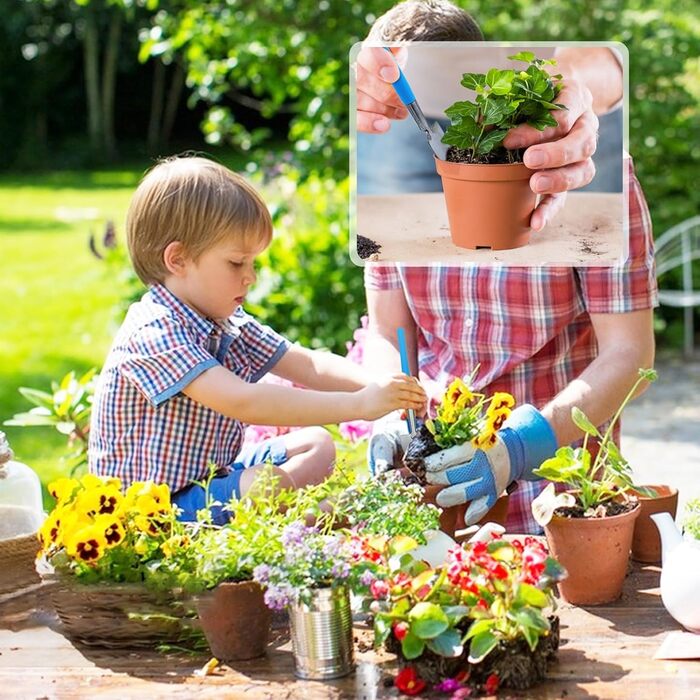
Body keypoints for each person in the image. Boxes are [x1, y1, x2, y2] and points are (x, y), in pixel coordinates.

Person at [360, 1, 657, 532]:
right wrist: (388, 415)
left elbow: (630, 354)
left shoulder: (583, 175)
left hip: (566, 496)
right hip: (442, 487)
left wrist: (517, 448)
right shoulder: (386, 180)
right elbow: (387, 332)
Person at [88, 156, 426, 523]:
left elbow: (308, 364)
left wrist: (385, 387)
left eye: (252, 263)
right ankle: (305, 521)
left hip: (206, 480)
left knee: (317, 444)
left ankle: (288, 518)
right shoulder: (155, 332)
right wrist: (362, 404)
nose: (249, 277)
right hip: (153, 511)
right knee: (267, 484)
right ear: (178, 259)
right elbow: (244, 401)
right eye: (236, 263)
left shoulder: (225, 320)